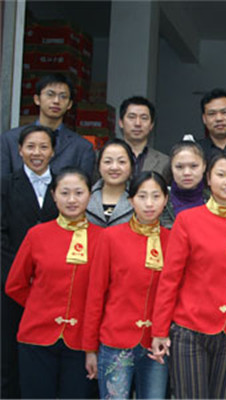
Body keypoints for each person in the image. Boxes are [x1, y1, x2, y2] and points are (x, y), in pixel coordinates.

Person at [150, 149, 226, 398]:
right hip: (190, 327)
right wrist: (159, 330)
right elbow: (170, 279)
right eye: (221, 174)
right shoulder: (188, 220)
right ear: (208, 179)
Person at [5, 168, 102, 398]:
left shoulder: (103, 238)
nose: (72, 200)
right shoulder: (37, 234)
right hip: (37, 334)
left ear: (90, 196)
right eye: (64, 193)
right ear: (53, 196)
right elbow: (15, 285)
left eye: (79, 193)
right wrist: (40, 305)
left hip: (81, 338)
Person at [83, 171, 170, 399]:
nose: (149, 204)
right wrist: (90, 348)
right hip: (116, 339)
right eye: (142, 196)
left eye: (156, 196)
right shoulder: (110, 237)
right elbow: (95, 293)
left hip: (156, 342)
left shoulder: (173, 240)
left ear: (166, 200)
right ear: (130, 200)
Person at [1, 125, 59, 398]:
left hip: (52, 287)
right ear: (20, 150)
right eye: (31, 147)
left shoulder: (64, 185)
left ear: (53, 152)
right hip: (11, 283)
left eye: (44, 147)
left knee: (46, 353)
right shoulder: (5, 185)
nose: (37, 153)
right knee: (7, 352)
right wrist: (20, 273)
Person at [1, 73, 95, 178]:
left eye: (63, 96)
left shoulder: (82, 147)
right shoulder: (10, 139)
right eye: (50, 94)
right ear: (37, 99)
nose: (56, 101)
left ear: (69, 104)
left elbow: (82, 185)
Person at [119, 96, 171, 182]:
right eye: (132, 117)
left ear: (151, 125)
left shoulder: (165, 162)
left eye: (144, 118)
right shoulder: (105, 158)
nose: (137, 123)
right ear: (121, 122)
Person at [86, 139, 135, 227]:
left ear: (131, 166)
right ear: (99, 165)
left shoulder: (140, 199)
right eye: (108, 162)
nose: (114, 167)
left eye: (122, 162)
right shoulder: (84, 196)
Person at [160, 141, 209, 229]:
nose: (186, 173)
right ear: (171, 168)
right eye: (179, 167)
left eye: (193, 166)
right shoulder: (159, 202)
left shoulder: (216, 200)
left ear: (204, 166)